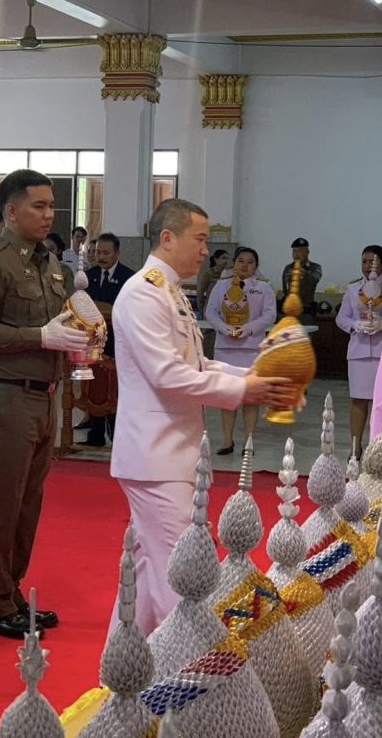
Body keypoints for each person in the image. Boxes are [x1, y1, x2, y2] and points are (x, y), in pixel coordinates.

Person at [109, 198, 297, 636]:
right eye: (199, 239)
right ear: (167, 238)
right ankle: (187, 661)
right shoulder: (143, 294)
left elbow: (197, 364)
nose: (205, 250)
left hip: (172, 452)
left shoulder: (170, 291)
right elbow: (167, 375)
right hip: (154, 455)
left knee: (149, 570)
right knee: (184, 576)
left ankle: (125, 659)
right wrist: (244, 390)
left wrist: (252, 377)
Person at [0, 169, 90, 640]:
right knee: (4, 502)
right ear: (11, 211)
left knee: (28, 504)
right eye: (39, 206)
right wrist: (39, 336)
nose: (49, 214)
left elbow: (57, 322)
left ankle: (10, 589)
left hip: (44, 396)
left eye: (51, 206)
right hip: (8, 395)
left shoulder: (49, 261)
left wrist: (76, 337)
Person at [204, 246, 277, 454]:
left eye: (250, 262)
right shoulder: (222, 285)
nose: (245, 265)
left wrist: (249, 328)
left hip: (251, 347)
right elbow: (211, 311)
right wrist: (223, 327)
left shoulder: (263, 287)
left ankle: (248, 442)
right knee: (227, 396)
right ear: (234, 263)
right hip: (226, 347)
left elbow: (269, 314)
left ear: (256, 266)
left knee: (250, 397)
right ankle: (227, 441)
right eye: (240, 261)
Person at [336, 244, 382, 455]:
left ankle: (379, 447)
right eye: (365, 261)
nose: (369, 265)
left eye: (374, 261)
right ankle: (355, 447)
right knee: (358, 401)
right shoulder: (354, 288)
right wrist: (355, 325)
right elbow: (341, 318)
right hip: (359, 351)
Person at [83, 232, 135, 446]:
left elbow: (129, 311)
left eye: (106, 253)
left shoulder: (128, 277)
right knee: (93, 386)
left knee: (114, 389)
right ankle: (95, 434)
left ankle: (117, 435)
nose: (101, 257)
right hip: (93, 342)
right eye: (98, 252)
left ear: (117, 253)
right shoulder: (89, 276)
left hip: (117, 343)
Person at [282, 237, 322, 321]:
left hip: (306, 311)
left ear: (307, 252)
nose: (297, 254)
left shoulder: (315, 267)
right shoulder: (288, 268)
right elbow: (285, 288)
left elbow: (314, 280)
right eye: (294, 251)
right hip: (289, 311)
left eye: (300, 251)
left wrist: (304, 274)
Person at [197, 248, 229, 315]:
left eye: (227, 258)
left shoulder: (228, 274)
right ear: (216, 259)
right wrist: (201, 308)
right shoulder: (209, 274)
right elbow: (200, 292)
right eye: (223, 258)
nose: (226, 261)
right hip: (210, 307)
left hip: (225, 308)